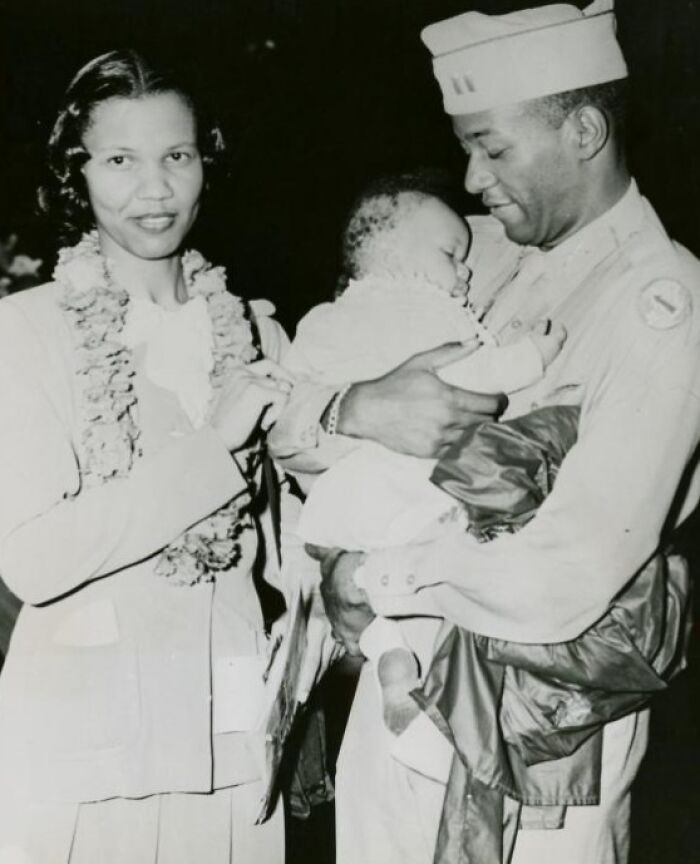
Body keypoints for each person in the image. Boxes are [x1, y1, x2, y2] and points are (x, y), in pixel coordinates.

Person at [269, 1, 700, 862]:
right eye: (465, 146)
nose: (469, 183)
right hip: (405, 692)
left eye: (492, 148)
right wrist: (357, 407)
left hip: (546, 727)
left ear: (583, 130)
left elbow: (572, 568)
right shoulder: (481, 254)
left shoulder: (662, 301)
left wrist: (372, 575)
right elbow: (286, 413)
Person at [0, 50, 296, 864]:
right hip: (87, 749)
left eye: (177, 156)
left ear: (208, 161)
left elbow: (283, 554)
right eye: (120, 160)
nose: (155, 189)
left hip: (230, 738)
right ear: (77, 173)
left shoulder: (257, 335)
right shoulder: (26, 334)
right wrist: (216, 447)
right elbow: (33, 559)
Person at [284, 173, 566, 737]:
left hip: (344, 508)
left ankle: (391, 662)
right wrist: (533, 355)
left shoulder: (327, 316)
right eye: (450, 257)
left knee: (376, 588)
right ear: (398, 259)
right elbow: (472, 376)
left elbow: (293, 397)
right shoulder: (420, 304)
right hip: (407, 494)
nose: (464, 272)